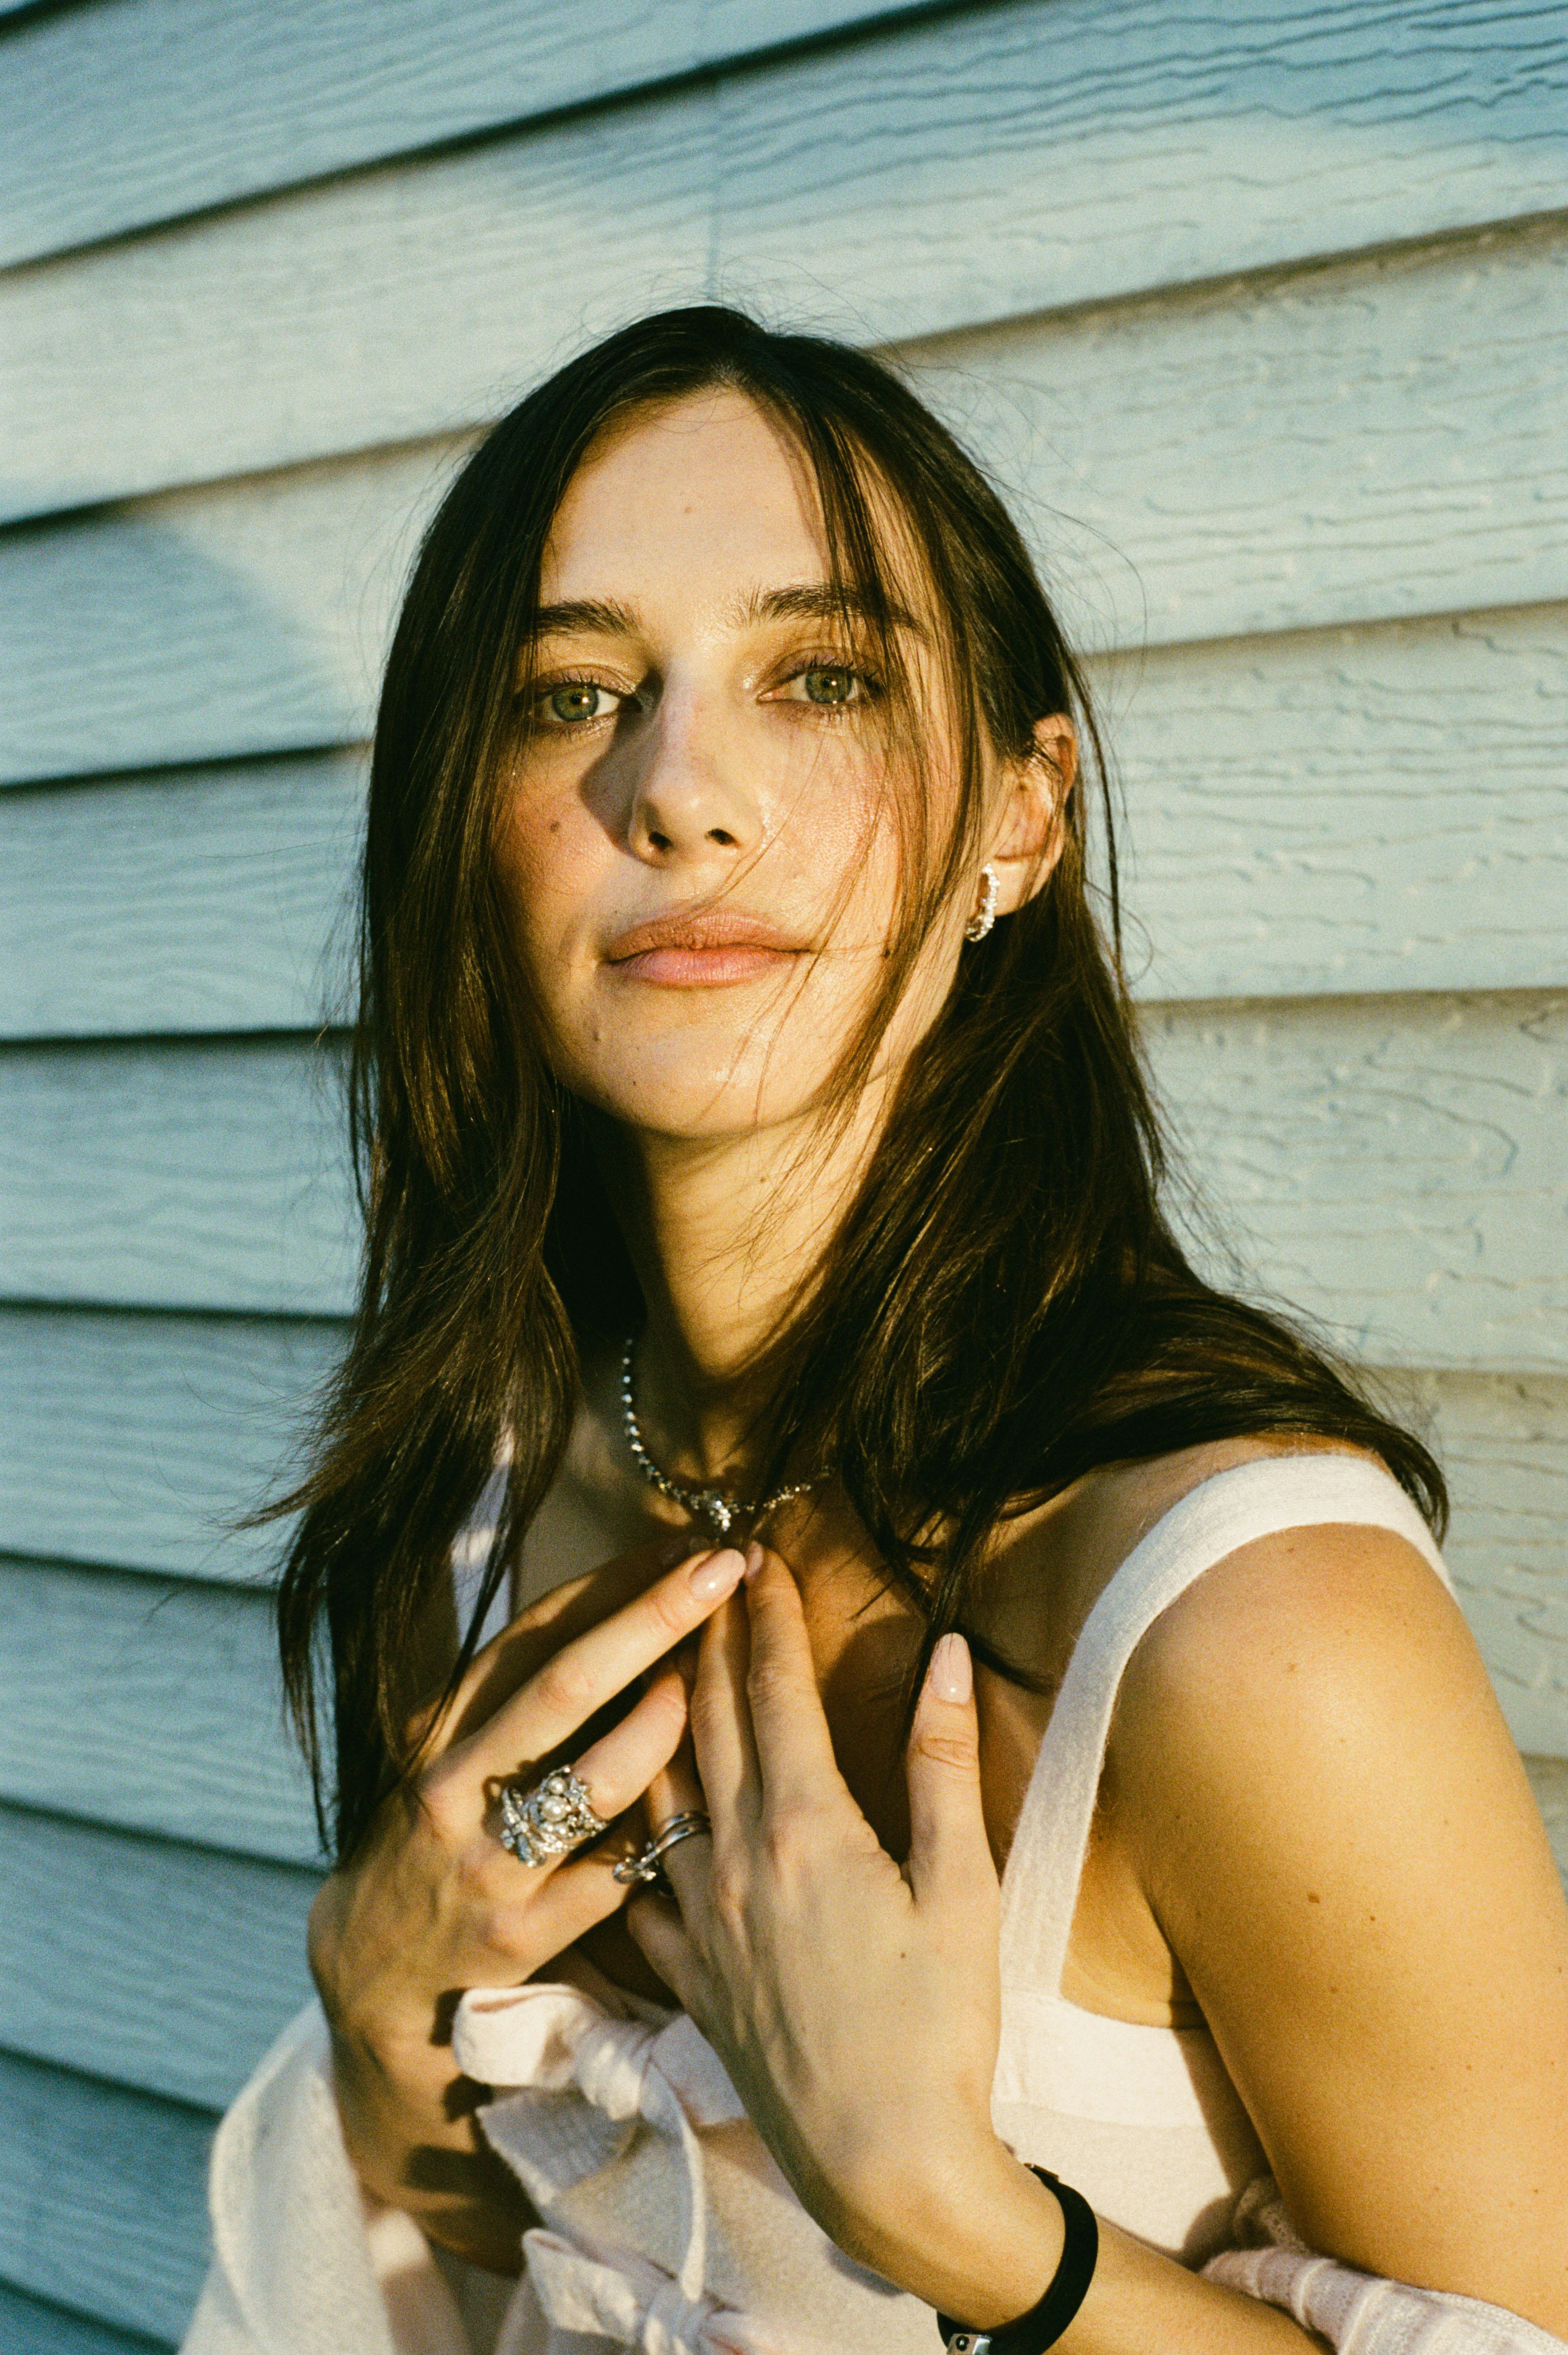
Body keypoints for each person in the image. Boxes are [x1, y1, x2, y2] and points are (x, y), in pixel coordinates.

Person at [183, 307, 1568, 2355]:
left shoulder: (1251, 1630)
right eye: (573, 694)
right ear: (465, 830)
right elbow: (516, 2267)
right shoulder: (491, 1495)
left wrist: (965, 2224)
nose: (678, 791)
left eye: (818, 676)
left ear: (1019, 818)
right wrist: (380, 2024)